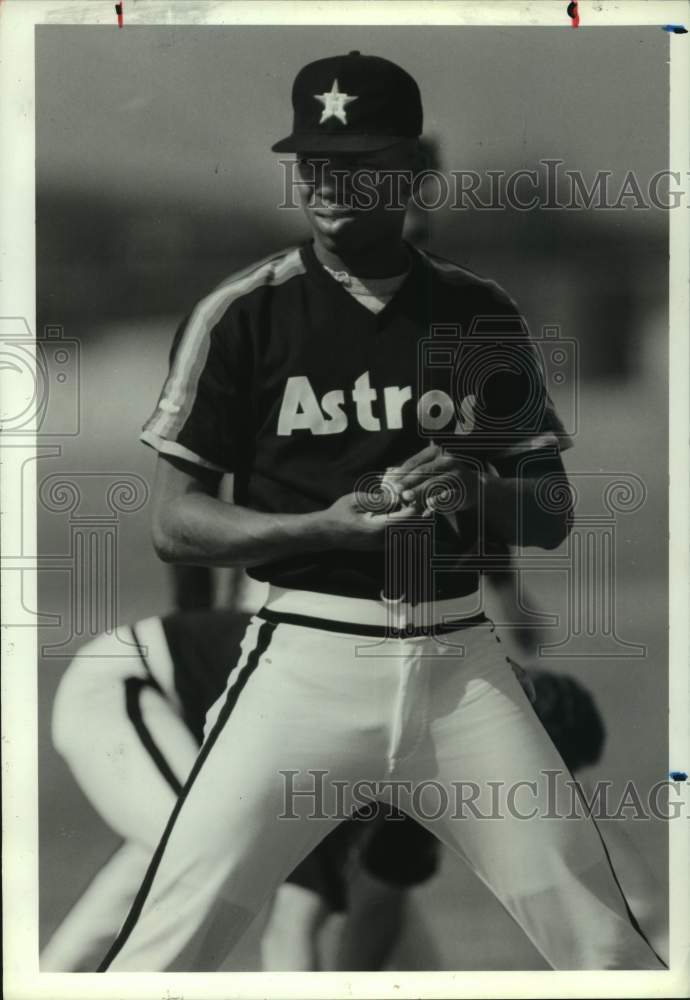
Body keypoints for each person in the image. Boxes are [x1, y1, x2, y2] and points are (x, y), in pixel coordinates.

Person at [98, 50, 665, 971]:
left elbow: (553, 510)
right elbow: (176, 521)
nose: (326, 181)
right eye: (311, 160)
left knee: (606, 949)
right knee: (165, 949)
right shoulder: (243, 314)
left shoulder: (479, 313)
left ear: (407, 169)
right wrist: (321, 527)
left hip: (461, 671)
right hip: (302, 664)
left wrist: (478, 492)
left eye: (355, 161)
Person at [41, 609, 438, 971]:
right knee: (208, 855)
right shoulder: (332, 736)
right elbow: (289, 932)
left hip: (181, 719)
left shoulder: (422, 779)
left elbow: (375, 908)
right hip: (122, 685)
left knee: (179, 856)